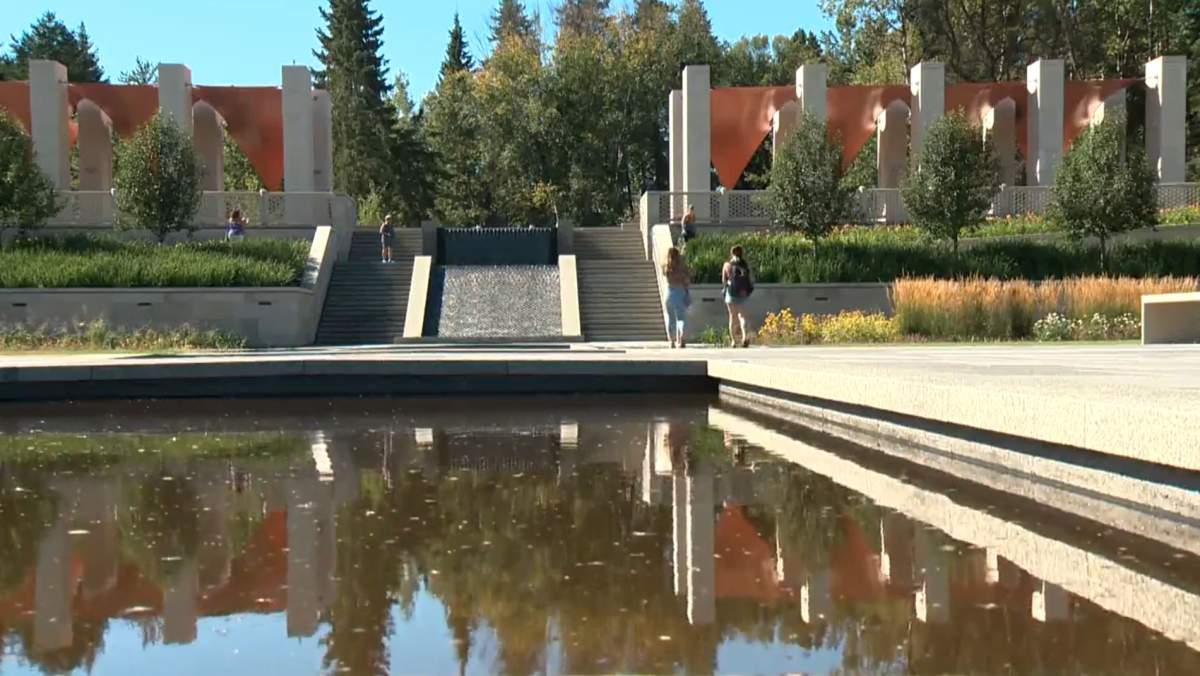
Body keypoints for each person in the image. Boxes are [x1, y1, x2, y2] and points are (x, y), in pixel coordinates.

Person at [722, 245, 754, 348]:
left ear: (731, 253)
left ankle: (733, 341)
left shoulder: (727, 265)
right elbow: (751, 279)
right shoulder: (744, 265)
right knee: (742, 316)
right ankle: (744, 337)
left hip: (731, 293)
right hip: (743, 293)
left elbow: (724, 281)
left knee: (732, 317)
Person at [662, 247, 692, 349]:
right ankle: (682, 338)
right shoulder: (682, 267)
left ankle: (672, 341)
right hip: (680, 293)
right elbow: (687, 280)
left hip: (669, 293)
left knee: (670, 319)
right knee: (681, 318)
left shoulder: (667, 267)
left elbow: (666, 276)